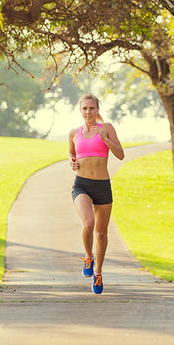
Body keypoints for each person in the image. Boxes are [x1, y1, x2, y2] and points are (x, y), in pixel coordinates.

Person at [68, 93, 124, 294]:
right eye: (85, 108)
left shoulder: (106, 128)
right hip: (81, 184)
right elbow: (72, 153)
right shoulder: (74, 132)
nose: (88, 112)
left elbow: (120, 153)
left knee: (101, 233)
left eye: (92, 108)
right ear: (80, 110)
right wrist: (72, 161)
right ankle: (88, 257)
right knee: (88, 223)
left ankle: (98, 273)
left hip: (102, 186)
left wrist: (105, 139)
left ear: (98, 110)